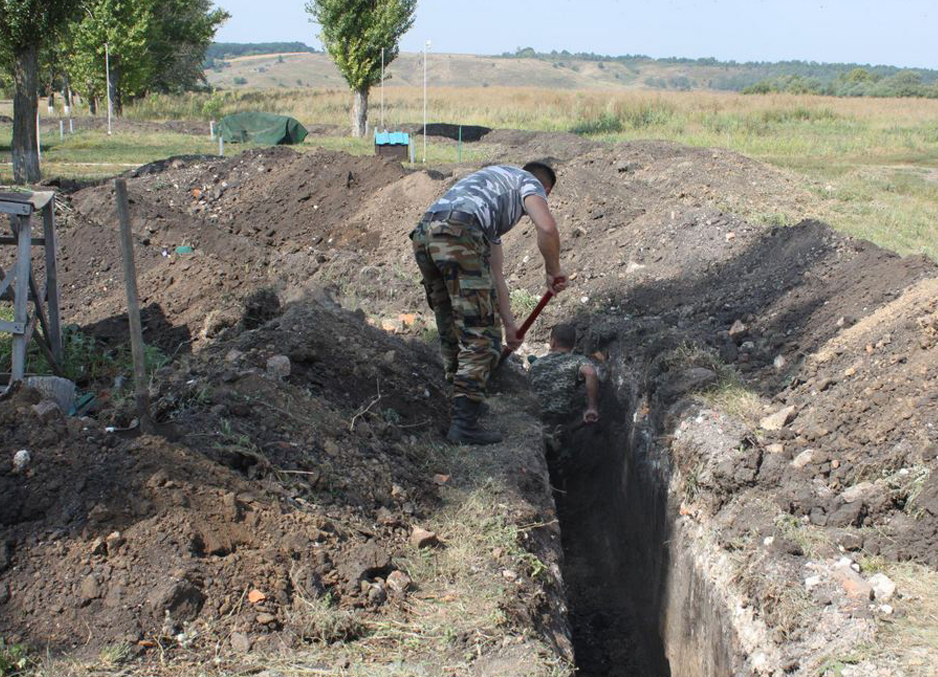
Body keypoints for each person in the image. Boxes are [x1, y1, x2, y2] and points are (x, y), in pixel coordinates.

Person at [411, 162, 568, 445]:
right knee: (480, 332)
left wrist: (510, 325)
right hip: (460, 231)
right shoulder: (529, 183)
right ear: (546, 190)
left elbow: (495, 275)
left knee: (450, 323)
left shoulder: (491, 192)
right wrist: (553, 269)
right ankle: (464, 424)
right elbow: (547, 226)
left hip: (425, 233)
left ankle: (461, 400)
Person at [528, 324, 601, 470]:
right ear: (573, 344)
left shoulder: (536, 365)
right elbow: (591, 373)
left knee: (543, 463)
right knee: (561, 464)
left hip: (535, 421)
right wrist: (592, 407)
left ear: (552, 342)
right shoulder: (577, 360)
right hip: (560, 421)